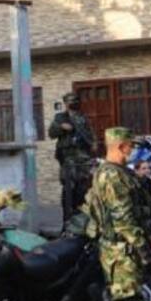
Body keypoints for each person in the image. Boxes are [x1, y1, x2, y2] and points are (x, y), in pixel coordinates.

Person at [84, 127, 151, 301]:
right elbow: (123, 218)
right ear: (120, 146)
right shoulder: (112, 176)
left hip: (115, 247)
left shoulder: (110, 172)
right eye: (130, 146)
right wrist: (144, 248)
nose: (133, 150)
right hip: (121, 249)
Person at [49, 92, 97, 228]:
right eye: (71, 101)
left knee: (83, 189)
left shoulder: (83, 118)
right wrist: (61, 128)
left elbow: (91, 133)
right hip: (68, 158)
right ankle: (67, 222)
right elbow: (51, 134)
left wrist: (94, 143)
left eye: (76, 100)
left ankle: (82, 222)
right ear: (65, 103)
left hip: (83, 157)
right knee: (69, 190)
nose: (74, 102)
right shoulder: (60, 117)